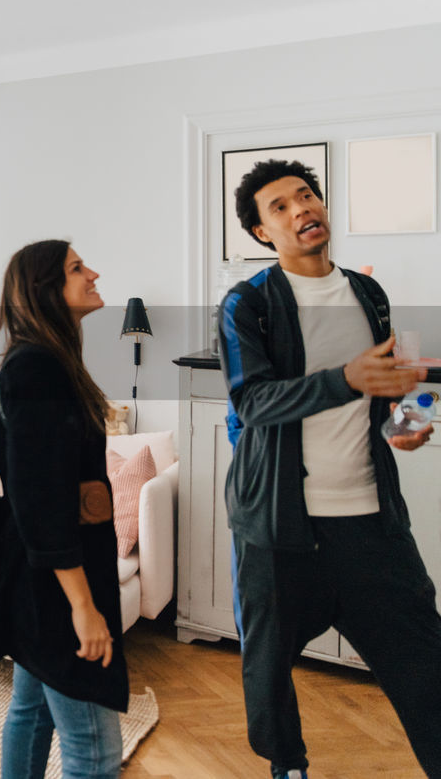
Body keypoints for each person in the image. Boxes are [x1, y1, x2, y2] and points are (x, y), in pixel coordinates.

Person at [219, 159, 441, 779]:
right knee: (267, 671)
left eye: (306, 196)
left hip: (371, 524)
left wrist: (409, 424)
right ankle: (287, 767)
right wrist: (344, 379)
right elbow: (252, 401)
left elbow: (392, 391)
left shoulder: (369, 294)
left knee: (426, 665)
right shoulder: (247, 304)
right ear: (264, 233)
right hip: (279, 529)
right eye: (280, 208)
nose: (300, 210)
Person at [0, 239, 128, 779]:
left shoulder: (48, 363)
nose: (93, 272)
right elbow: (38, 497)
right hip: (55, 583)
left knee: (32, 711)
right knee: (94, 753)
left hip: (38, 577)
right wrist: (83, 607)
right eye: (76, 268)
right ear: (47, 290)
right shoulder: (37, 369)